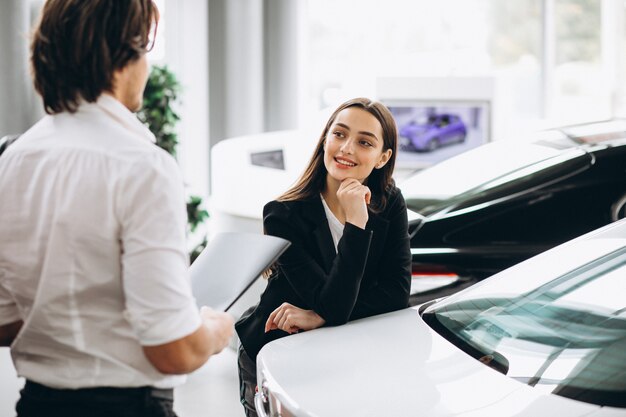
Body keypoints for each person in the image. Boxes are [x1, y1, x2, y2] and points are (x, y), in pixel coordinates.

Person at [0, 1, 233, 416]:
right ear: (122, 55)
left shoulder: (14, 160)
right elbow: (174, 352)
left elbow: (4, 322)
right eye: (145, 50)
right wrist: (215, 330)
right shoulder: (143, 166)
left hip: (37, 404)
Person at [236, 97, 412, 416]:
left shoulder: (390, 202)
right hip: (276, 351)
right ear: (325, 139)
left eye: (364, 142)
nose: (346, 148)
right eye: (339, 134)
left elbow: (396, 294)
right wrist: (356, 223)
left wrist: (320, 314)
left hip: (340, 352)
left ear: (383, 157)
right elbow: (333, 303)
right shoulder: (282, 215)